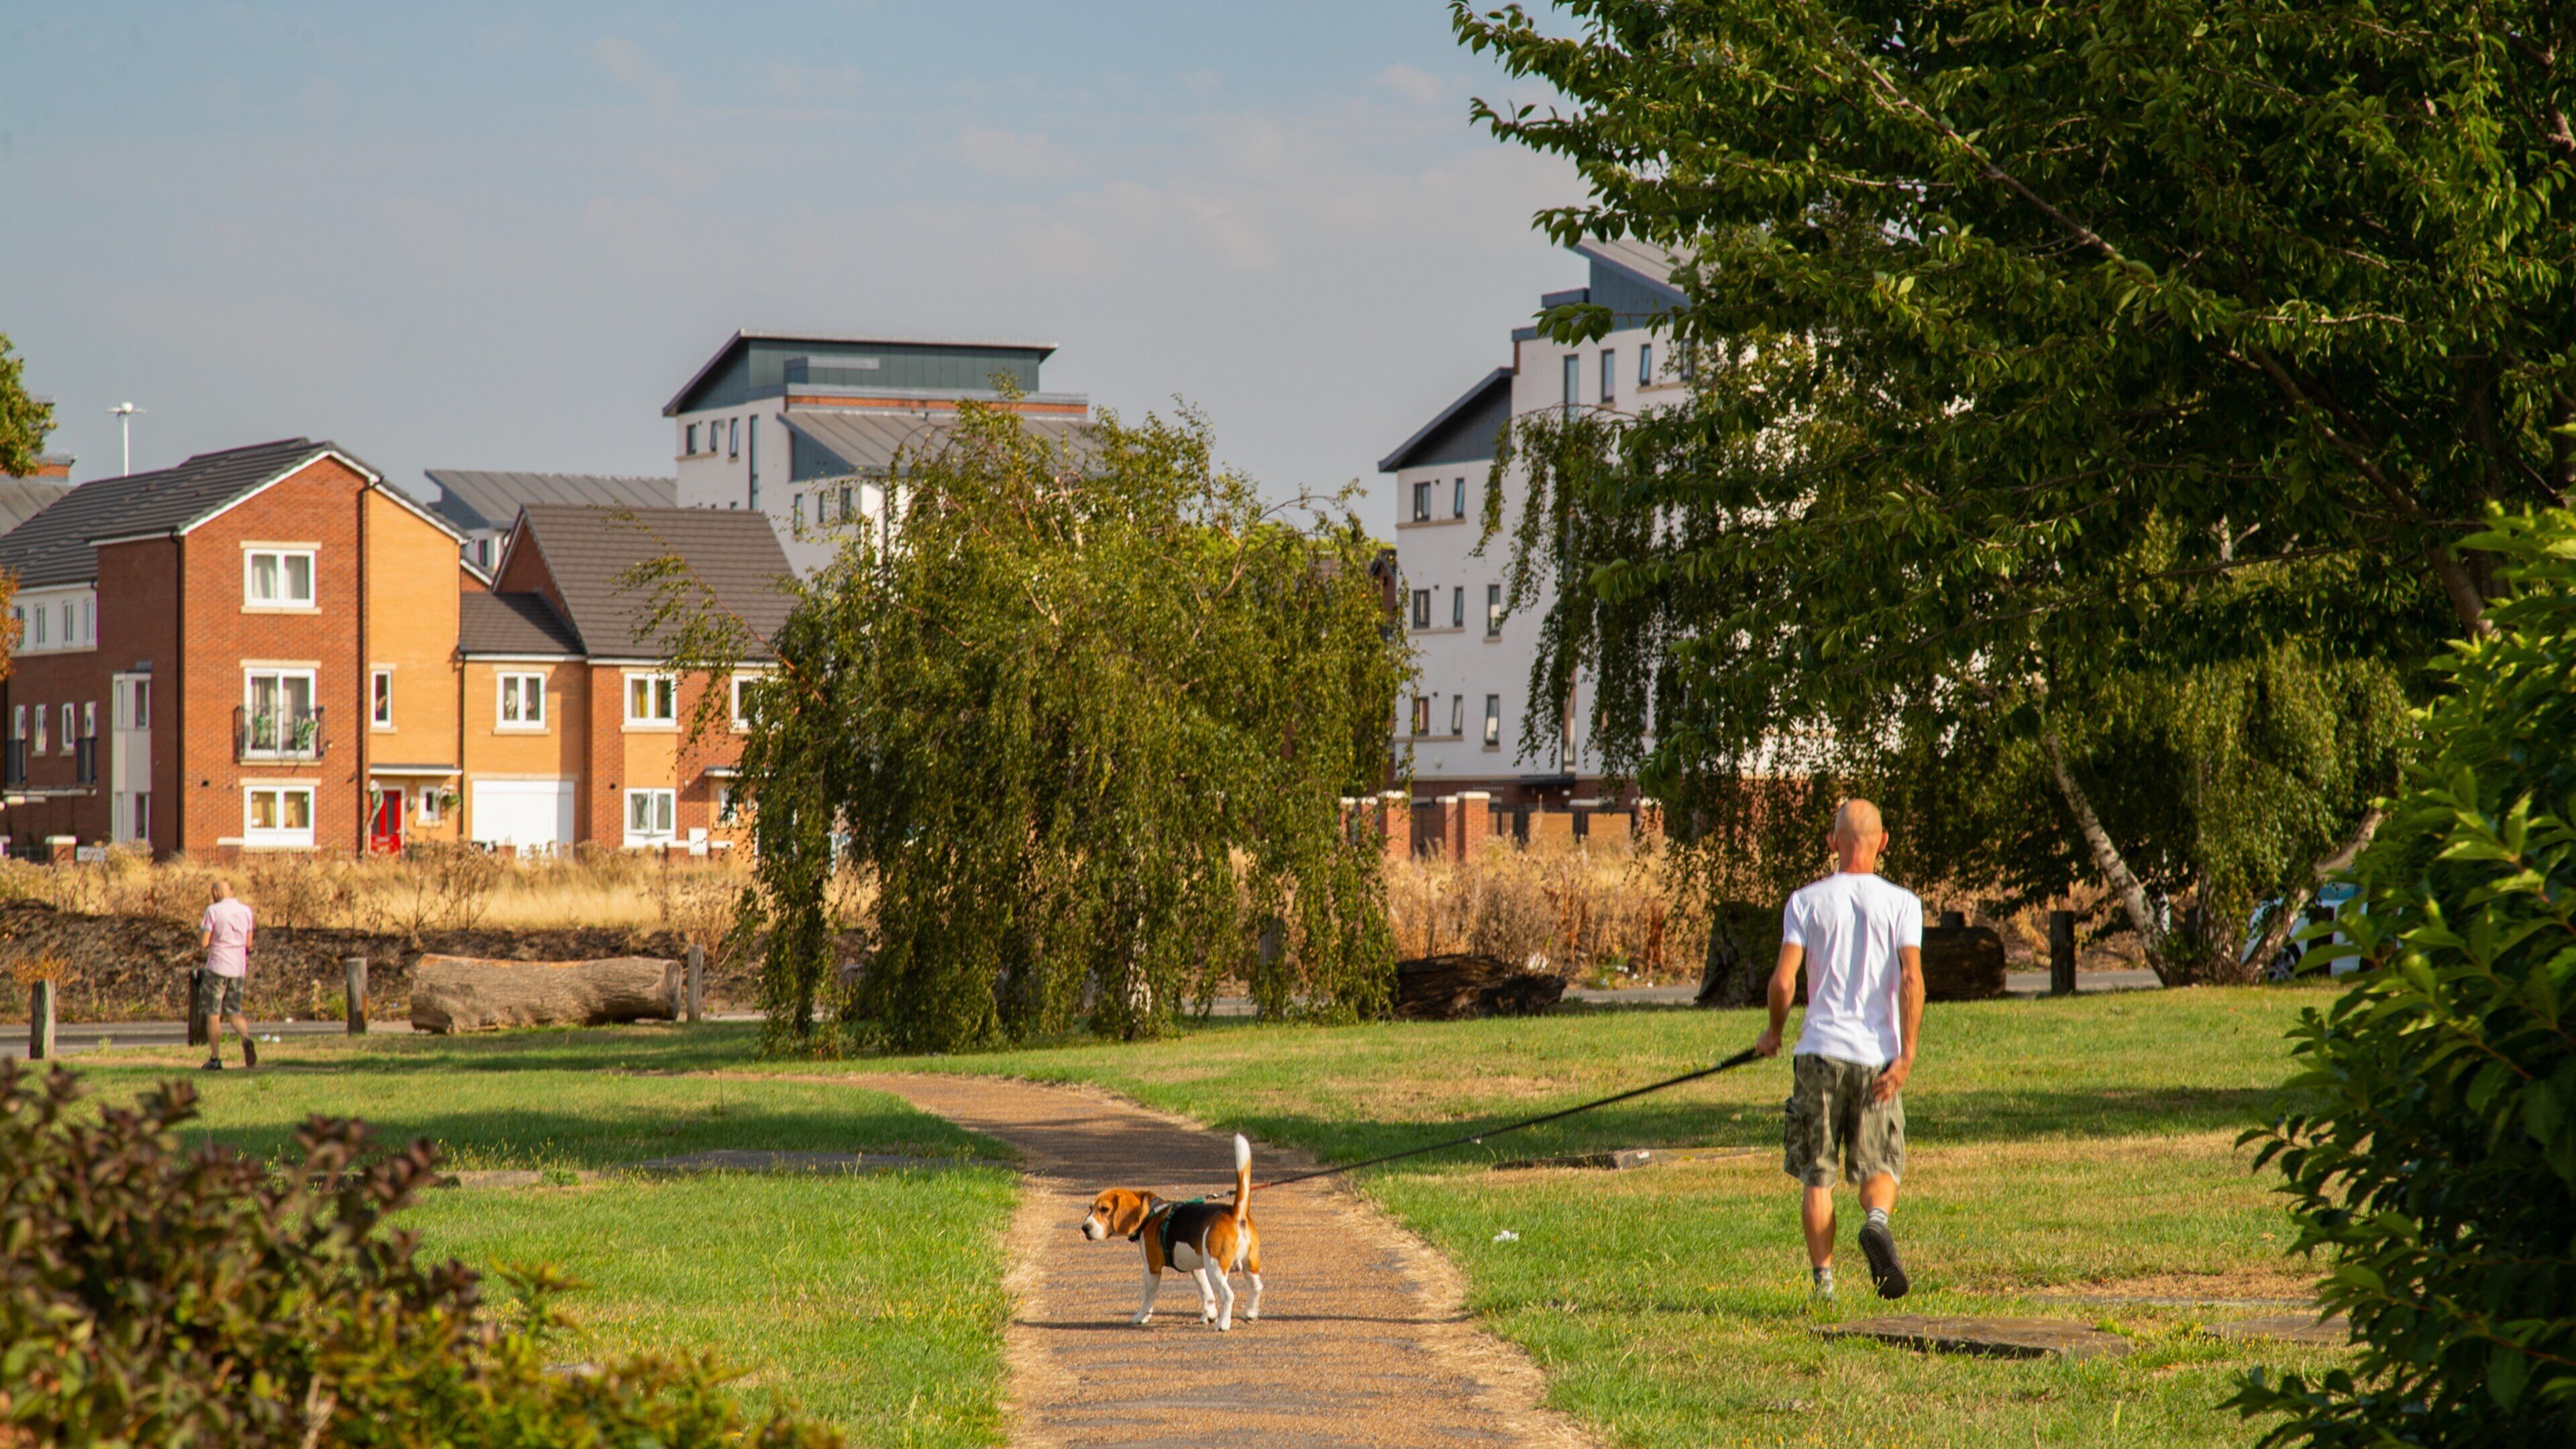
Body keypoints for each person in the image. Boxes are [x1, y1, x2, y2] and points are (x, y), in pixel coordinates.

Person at [1752, 798, 1924, 1301]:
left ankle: (1824, 1283)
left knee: (1818, 1173)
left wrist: (1774, 1032)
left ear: (1832, 843)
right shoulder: (1903, 903)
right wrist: (1906, 1056)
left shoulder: (1805, 902)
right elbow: (1912, 978)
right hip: (1878, 1056)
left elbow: (1784, 981)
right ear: (1883, 842)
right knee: (1880, 1163)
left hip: (1819, 1053)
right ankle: (1875, 1221)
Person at [199, 879, 257, 1071]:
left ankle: (215, 1058)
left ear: (216, 892)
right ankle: (246, 1038)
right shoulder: (246, 911)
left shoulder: (213, 911)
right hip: (238, 967)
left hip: (218, 966)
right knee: (234, 1011)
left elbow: (204, 942)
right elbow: (249, 943)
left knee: (213, 1014)